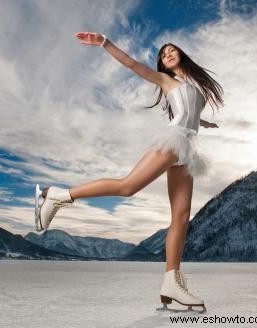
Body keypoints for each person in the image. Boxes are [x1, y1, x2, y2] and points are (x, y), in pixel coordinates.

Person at [34, 32, 224, 313]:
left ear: (181, 53)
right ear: (162, 64)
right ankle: (58, 196)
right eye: (163, 54)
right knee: (128, 186)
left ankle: (171, 285)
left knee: (181, 216)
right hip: (176, 140)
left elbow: (190, 110)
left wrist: (203, 123)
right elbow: (134, 65)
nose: (167, 54)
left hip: (188, 150)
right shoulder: (166, 81)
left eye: (171, 50)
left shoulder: (193, 85)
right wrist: (105, 43)